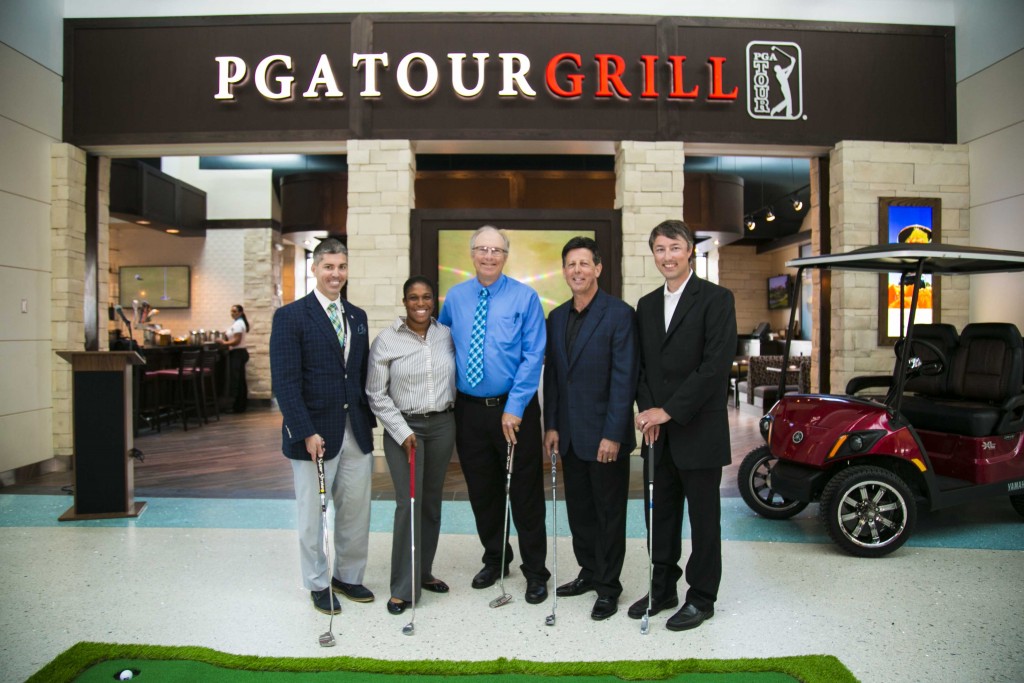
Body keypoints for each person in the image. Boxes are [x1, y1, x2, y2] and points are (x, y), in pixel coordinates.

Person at [631, 220, 737, 632]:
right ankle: (662, 587)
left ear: (689, 250)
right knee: (659, 515)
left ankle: (701, 597)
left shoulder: (716, 299)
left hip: (699, 429)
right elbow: (641, 368)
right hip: (658, 432)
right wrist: (648, 411)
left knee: (704, 519)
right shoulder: (645, 304)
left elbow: (714, 367)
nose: (667, 256)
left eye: (674, 247)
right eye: (659, 249)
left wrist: (668, 411)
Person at [437, 225, 550, 604]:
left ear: (505, 256)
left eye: (496, 250)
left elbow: (534, 355)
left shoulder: (525, 297)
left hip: (514, 412)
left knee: (525, 493)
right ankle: (496, 558)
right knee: (482, 492)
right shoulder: (455, 298)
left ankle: (536, 571)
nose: (489, 256)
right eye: (482, 249)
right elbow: (442, 349)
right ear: (472, 254)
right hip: (469, 412)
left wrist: (515, 408)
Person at [269, 237, 377, 615]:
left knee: (355, 510)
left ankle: (348, 576)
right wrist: (305, 431)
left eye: (342, 267)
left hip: (356, 431)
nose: (336, 274)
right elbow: (285, 381)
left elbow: (360, 375)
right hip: (313, 434)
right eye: (329, 267)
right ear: (314, 269)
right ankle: (317, 582)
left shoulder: (358, 317)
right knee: (313, 514)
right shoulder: (291, 316)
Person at [543, 236, 638, 621]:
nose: (577, 270)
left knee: (608, 512)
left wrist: (613, 433)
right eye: (571, 264)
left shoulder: (619, 314)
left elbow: (624, 379)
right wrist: (550, 425)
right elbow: (553, 378)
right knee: (579, 512)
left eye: (584, 263)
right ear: (564, 271)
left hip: (605, 437)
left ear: (598, 268)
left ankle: (609, 586)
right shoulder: (557, 317)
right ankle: (589, 570)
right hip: (568, 435)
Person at [366, 276, 457, 615]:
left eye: (427, 297)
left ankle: (423, 571)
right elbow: (375, 393)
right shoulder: (387, 341)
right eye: (414, 298)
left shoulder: (445, 334)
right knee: (409, 504)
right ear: (404, 302)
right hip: (404, 428)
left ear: (434, 300)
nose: (421, 303)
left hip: (443, 425)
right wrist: (402, 431)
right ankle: (403, 587)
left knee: (432, 504)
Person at [217, 304, 249, 413]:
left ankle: (238, 406)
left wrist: (224, 342)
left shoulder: (239, 324)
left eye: (235, 311)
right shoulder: (238, 323)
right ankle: (239, 405)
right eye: (231, 311)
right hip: (240, 353)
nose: (232, 313)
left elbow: (236, 341)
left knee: (237, 380)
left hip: (238, 353)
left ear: (240, 312)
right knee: (240, 380)